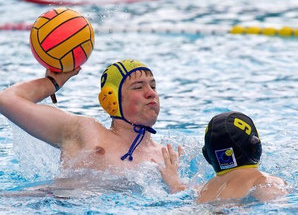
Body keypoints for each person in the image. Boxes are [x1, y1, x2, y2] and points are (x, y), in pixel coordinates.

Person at [0, 59, 164, 171]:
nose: (151, 93)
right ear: (111, 99)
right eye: (138, 87)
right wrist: (52, 83)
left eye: (153, 86)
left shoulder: (167, 156)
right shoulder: (85, 132)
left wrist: (175, 186)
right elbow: (6, 100)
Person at [155, 111, 287, 202]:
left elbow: (179, 192)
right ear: (255, 147)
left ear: (208, 156)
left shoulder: (204, 190)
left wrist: (173, 181)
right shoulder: (266, 182)